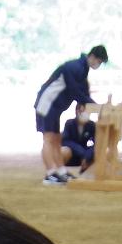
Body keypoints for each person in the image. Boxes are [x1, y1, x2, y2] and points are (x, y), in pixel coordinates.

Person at [34, 45, 107, 186]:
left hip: (55, 106)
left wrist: (94, 104)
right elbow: (75, 91)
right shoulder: (74, 67)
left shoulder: (83, 69)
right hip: (47, 103)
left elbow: (83, 92)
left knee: (56, 139)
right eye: (98, 61)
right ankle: (50, 174)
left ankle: (61, 171)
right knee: (49, 138)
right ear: (91, 56)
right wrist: (95, 106)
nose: (98, 64)